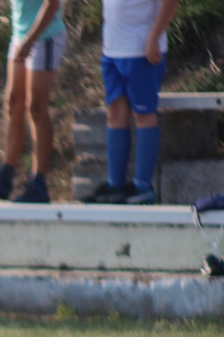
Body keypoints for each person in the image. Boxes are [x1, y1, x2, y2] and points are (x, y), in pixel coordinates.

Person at [0, 0, 66, 204]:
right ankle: (6, 175)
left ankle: (39, 182)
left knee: (37, 108)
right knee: (13, 102)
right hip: (20, 35)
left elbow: (52, 4)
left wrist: (31, 39)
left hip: (44, 36)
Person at [82, 0, 180, 205]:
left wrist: (154, 35)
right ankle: (115, 184)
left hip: (142, 49)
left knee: (143, 114)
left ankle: (143, 187)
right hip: (113, 50)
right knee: (115, 112)